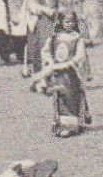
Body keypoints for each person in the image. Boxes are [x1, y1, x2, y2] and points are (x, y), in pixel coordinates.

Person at [34, 10, 92, 138]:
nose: (69, 24)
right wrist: (50, 62)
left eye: (72, 21)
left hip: (71, 72)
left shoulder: (77, 38)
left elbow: (80, 55)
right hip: (57, 72)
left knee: (72, 95)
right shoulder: (54, 37)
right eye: (66, 21)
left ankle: (75, 124)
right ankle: (60, 122)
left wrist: (71, 63)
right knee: (59, 95)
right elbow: (45, 51)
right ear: (60, 21)